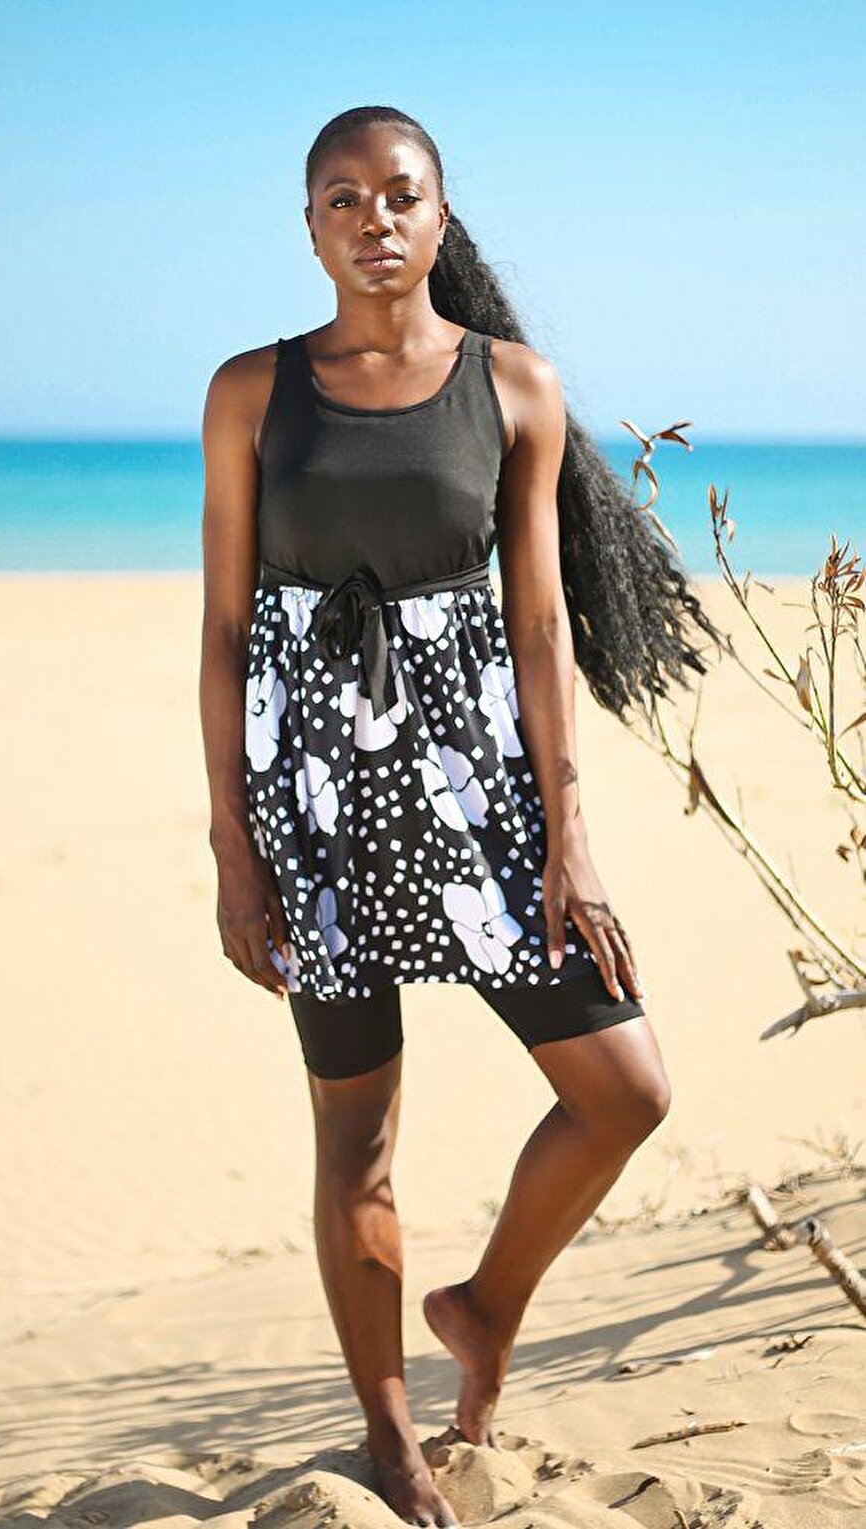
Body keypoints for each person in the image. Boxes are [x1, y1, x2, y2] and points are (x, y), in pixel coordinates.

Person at [199, 105, 723, 1528]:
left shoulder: (515, 388)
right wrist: (234, 847)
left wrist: (574, 834)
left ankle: (484, 1307)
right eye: (343, 199)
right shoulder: (251, 392)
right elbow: (231, 626)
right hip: (314, 812)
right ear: (308, 226)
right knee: (355, 1140)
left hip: (478, 799)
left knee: (626, 1086)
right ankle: (390, 1436)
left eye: (400, 195)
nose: (374, 218)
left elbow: (540, 626)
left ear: (441, 217)